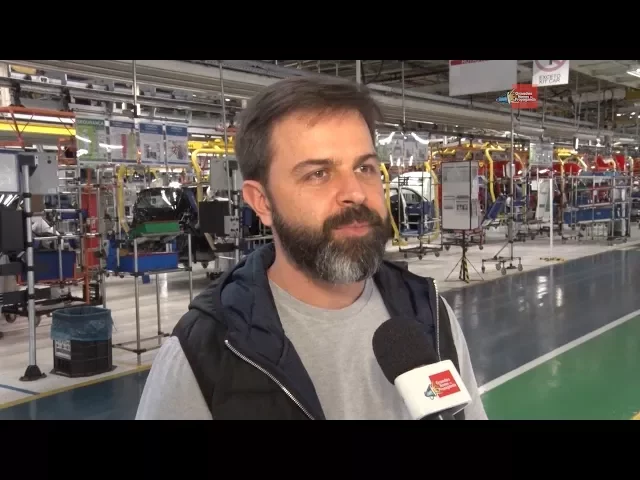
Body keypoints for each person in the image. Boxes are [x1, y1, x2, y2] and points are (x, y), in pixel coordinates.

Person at [136, 76, 488, 420]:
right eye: (318, 173)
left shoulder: (429, 314)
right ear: (262, 202)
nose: (356, 192)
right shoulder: (204, 356)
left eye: (365, 167)